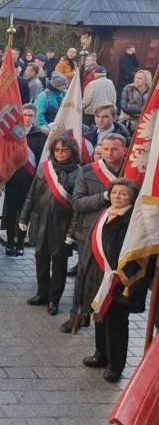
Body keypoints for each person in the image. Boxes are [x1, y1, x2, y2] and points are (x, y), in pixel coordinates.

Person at [77, 178, 148, 382]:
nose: (117, 196)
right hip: (99, 277)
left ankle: (115, 365)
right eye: (115, 192)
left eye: (123, 193)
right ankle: (101, 355)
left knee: (116, 325)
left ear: (132, 198)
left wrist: (125, 281)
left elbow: (136, 256)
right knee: (99, 317)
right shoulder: (104, 213)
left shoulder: (134, 223)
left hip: (119, 281)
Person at [61, 133, 128, 333]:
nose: (109, 153)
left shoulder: (132, 170)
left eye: (115, 149)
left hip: (120, 234)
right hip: (90, 232)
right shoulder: (88, 171)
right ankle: (78, 314)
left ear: (124, 149)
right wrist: (105, 196)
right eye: (106, 149)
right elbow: (78, 202)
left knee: (112, 276)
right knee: (83, 273)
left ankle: (104, 315)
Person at [19, 138, 82, 315]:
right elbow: (31, 194)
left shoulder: (79, 173)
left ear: (72, 152)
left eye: (65, 150)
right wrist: (24, 217)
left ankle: (54, 300)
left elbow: (77, 207)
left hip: (62, 225)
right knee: (41, 259)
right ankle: (42, 293)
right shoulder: (44, 168)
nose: (60, 153)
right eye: (57, 150)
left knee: (59, 263)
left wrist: (72, 231)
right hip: (40, 221)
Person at [1, 104, 47, 257]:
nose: (27, 118)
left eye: (30, 116)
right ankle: (9, 242)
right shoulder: (14, 133)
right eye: (25, 115)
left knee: (24, 212)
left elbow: (41, 158)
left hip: (29, 180)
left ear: (35, 117)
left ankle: (20, 242)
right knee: (11, 211)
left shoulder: (40, 135)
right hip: (13, 178)